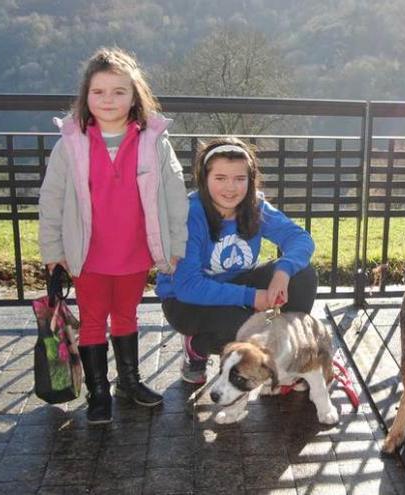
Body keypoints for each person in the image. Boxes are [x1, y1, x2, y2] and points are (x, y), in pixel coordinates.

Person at [39, 48, 189, 425]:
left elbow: (174, 196)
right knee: (92, 319)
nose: (109, 100)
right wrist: (53, 250)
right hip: (86, 251)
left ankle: (130, 382)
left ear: (135, 95)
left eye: (119, 92)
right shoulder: (70, 144)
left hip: (136, 249)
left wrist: (176, 245)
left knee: (126, 315)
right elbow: (51, 200)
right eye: (99, 91)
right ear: (85, 97)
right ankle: (98, 393)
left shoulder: (154, 141)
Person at [155, 136, 317, 386]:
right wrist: (253, 298)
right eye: (220, 178)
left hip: (236, 284)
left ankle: (289, 357)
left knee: (303, 274)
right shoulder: (190, 214)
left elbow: (300, 239)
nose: (230, 188)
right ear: (204, 179)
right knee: (248, 328)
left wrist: (282, 272)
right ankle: (196, 347)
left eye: (239, 179)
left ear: (250, 181)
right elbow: (188, 286)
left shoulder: (255, 206)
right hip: (185, 302)